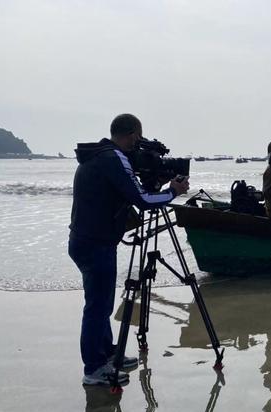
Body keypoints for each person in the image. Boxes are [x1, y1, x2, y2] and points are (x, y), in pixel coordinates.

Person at [69, 114, 189, 387]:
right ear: (134, 135)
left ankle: (108, 353)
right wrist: (173, 192)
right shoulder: (114, 158)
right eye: (138, 139)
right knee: (97, 307)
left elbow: (129, 192)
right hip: (95, 243)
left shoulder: (98, 155)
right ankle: (94, 368)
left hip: (86, 239)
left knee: (101, 303)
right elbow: (143, 200)